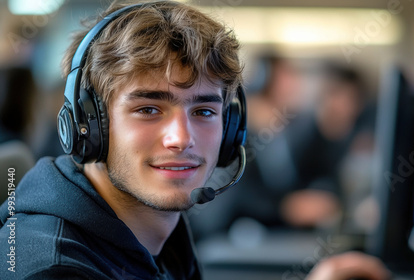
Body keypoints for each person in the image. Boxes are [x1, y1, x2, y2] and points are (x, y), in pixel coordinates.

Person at [0, 1, 390, 279]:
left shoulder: (153, 230)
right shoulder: (54, 270)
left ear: (231, 127)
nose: (181, 138)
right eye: (149, 109)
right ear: (89, 124)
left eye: (203, 111)